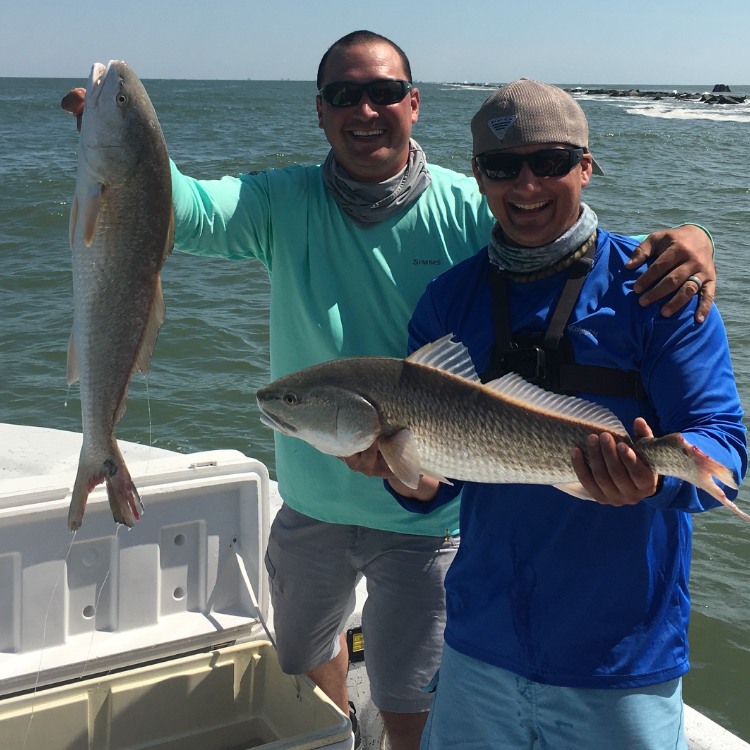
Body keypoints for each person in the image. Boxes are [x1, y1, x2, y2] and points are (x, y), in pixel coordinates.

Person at [64, 35, 718, 750]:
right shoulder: (280, 202)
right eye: (345, 95)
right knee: (313, 658)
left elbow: (562, 231)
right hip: (317, 494)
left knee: (411, 690)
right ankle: (334, 735)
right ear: (320, 111)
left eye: (383, 93)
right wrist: (120, 152)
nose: (365, 109)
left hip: (429, 509)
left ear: (414, 105)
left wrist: (692, 235)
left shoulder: (475, 206)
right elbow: (181, 208)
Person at [377, 79, 747, 749]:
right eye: (500, 166)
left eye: (548, 163)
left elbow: (724, 447)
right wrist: (401, 471)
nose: (525, 187)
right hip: (478, 646)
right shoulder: (447, 301)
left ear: (585, 166)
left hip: (619, 662)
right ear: (479, 177)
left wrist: (656, 478)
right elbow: (438, 486)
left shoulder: (657, 287)